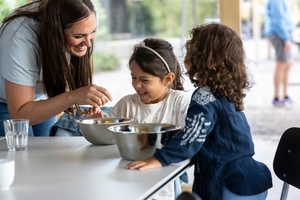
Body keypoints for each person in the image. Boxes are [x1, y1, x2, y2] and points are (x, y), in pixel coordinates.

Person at [126, 23, 273, 200]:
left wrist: (159, 159)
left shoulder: (205, 95)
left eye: (191, 48)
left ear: (202, 58)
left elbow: (192, 136)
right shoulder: (225, 93)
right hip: (249, 179)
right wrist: (159, 137)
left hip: (231, 184)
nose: (186, 53)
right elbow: (205, 132)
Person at [0, 0, 112, 137]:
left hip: (40, 99)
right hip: (5, 102)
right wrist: (73, 96)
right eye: (78, 36)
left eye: (92, 33)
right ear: (56, 30)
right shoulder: (20, 36)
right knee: (22, 154)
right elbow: (20, 113)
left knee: (47, 153)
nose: (88, 43)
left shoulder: (87, 14)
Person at [107, 38, 191, 200]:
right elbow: (109, 137)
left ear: (167, 79)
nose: (137, 85)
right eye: (133, 77)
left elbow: (187, 139)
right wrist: (101, 122)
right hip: (126, 178)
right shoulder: (126, 104)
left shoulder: (180, 102)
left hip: (163, 182)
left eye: (144, 80)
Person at [264, 0, 295, 106]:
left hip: (283, 33)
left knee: (288, 63)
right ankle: (277, 97)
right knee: (281, 63)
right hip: (279, 34)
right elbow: (279, 18)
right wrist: (286, 38)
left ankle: (285, 95)